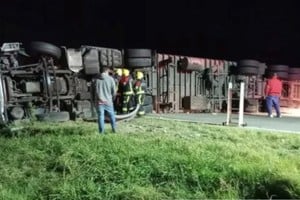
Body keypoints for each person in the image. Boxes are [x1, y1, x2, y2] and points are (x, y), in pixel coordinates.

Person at [95, 67, 117, 134]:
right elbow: (114, 91)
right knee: (112, 116)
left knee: (101, 117)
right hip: (108, 101)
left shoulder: (96, 80)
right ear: (107, 71)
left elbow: (94, 92)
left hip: (100, 102)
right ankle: (114, 130)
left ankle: (101, 132)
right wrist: (112, 98)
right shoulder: (110, 79)